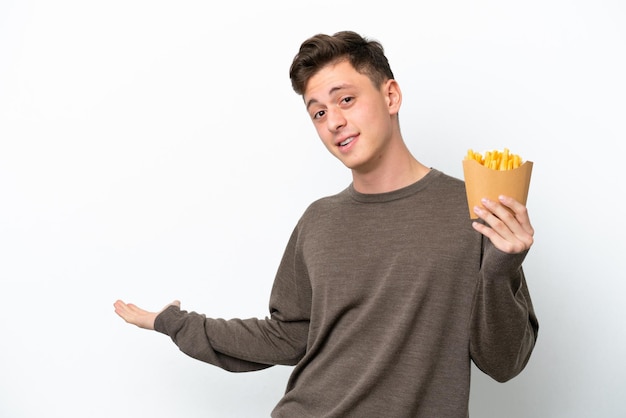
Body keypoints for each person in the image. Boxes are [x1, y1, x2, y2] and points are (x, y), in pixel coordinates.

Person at [114, 30, 538, 417]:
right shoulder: (319, 221)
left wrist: (501, 271)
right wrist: (176, 323)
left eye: (346, 99)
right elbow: (287, 336)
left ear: (390, 96)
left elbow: (503, 363)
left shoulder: (474, 210)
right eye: (317, 112)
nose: (333, 121)